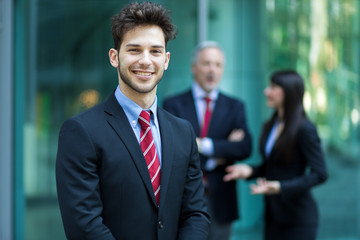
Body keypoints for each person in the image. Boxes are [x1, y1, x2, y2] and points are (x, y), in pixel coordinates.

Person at [56, 2, 210, 239]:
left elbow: (196, 214)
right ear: (114, 57)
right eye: (134, 50)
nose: (146, 61)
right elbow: (83, 224)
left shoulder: (183, 132)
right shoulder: (81, 131)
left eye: (155, 51)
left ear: (166, 60)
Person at [163, 41, 252, 240]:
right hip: (183, 199)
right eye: (206, 63)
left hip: (220, 199)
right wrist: (221, 153)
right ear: (194, 67)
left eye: (218, 65)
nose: (212, 70)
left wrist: (202, 145)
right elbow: (173, 150)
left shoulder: (235, 106)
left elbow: (245, 147)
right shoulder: (173, 105)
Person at [224, 70, 328, 240]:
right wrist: (249, 171)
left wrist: (280, 187)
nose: (266, 91)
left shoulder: (305, 129)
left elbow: (320, 174)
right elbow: (273, 166)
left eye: (273, 87)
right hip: (273, 217)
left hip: (298, 219)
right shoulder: (271, 124)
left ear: (288, 92)